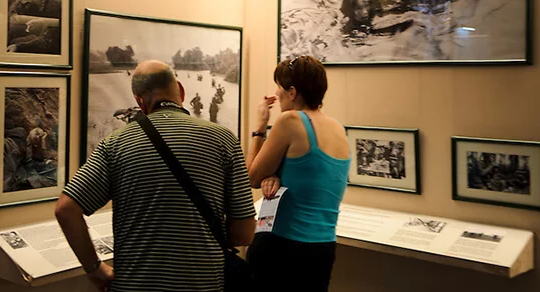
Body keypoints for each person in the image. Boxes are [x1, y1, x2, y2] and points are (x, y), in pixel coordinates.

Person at [55, 60, 256, 292]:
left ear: (139, 100)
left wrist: (94, 268)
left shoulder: (114, 144)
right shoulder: (223, 140)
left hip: (133, 286)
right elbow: (244, 233)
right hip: (202, 284)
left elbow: (66, 209)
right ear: (180, 89)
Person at [246, 55, 350, 291]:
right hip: (322, 249)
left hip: (281, 246)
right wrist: (276, 177)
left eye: (280, 88)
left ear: (292, 92)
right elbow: (309, 178)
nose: (277, 93)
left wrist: (260, 127)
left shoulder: (290, 120)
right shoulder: (338, 129)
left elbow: (251, 176)